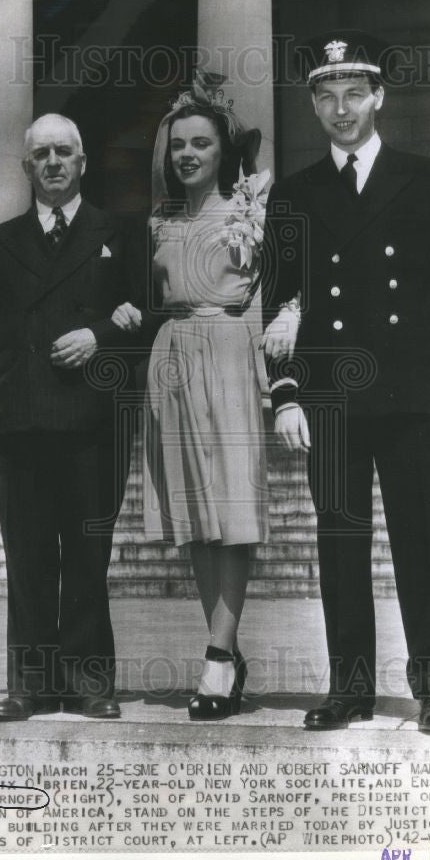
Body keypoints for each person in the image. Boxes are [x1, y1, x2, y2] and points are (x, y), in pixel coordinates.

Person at [262, 31, 430, 734]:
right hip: (329, 395)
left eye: (355, 93)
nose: (341, 109)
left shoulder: (427, 176)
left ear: (378, 97)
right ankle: (348, 688)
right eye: (326, 96)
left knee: (421, 539)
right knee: (339, 540)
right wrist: (285, 391)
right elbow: (280, 301)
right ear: (314, 105)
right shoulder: (294, 193)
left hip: (410, 389)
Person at [0, 113, 143, 722]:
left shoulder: (118, 233)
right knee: (29, 553)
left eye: (64, 152)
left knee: (88, 553)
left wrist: (97, 335)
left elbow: (144, 319)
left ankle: (91, 681)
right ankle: (32, 682)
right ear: (26, 167)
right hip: (21, 419)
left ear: (83, 162)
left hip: (92, 419)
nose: (52, 163)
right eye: (41, 154)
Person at [112, 76, 268, 721]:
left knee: (231, 508)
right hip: (173, 356)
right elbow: (135, 294)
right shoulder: (157, 220)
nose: (187, 154)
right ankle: (221, 652)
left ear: (222, 149)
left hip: (229, 351)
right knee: (197, 516)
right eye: (179, 145)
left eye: (201, 143)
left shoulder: (253, 206)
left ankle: (219, 655)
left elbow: (287, 283)